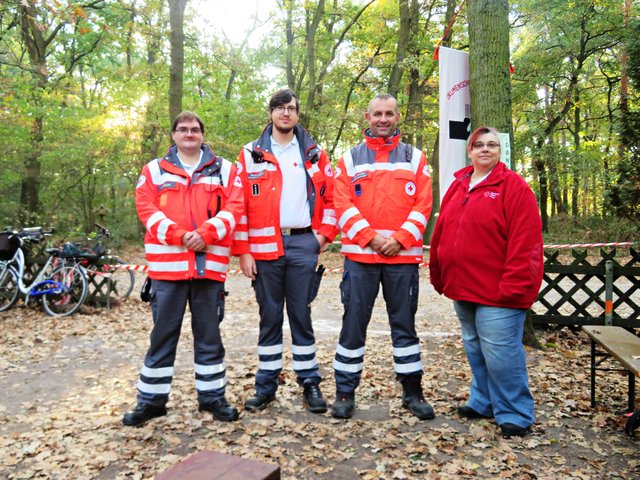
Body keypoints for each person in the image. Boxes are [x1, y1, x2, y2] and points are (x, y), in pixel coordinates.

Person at [123, 111, 244, 427]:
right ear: (174, 135)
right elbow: (146, 209)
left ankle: (213, 398)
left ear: (202, 134)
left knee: (209, 337)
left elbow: (235, 208)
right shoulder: (154, 170)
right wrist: (181, 236)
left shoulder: (226, 170)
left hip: (209, 269)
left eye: (194, 129)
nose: (189, 134)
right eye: (183, 129)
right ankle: (151, 402)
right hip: (167, 271)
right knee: (162, 336)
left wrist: (206, 234)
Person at [429, 126, 544, 438]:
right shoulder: (459, 185)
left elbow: (526, 244)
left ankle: (515, 413)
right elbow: (442, 232)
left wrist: (514, 287)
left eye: (491, 145)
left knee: (502, 354)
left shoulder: (514, 187)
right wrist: (438, 271)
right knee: (476, 349)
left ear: (499, 150)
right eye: (478, 144)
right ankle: (483, 402)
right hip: (463, 287)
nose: (485, 149)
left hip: (499, 293)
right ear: (470, 151)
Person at [232, 88, 339, 414]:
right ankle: (266, 386)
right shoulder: (250, 153)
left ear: (297, 114)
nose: (285, 113)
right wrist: (243, 251)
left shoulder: (314, 154)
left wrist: (321, 238)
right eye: (279, 108)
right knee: (269, 317)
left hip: (304, 244)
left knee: (301, 316)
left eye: (291, 108)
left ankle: (310, 382)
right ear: (271, 113)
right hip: (264, 248)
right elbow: (238, 205)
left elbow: (333, 200)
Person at [331, 94, 434, 420]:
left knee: (404, 326)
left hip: (401, 259)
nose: (383, 119)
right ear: (368, 117)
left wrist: (400, 239)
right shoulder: (350, 159)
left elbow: (424, 204)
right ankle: (345, 391)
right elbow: (341, 204)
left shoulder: (415, 158)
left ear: (397, 116)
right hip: (361, 258)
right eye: (377, 114)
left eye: (389, 113)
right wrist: (371, 238)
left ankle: (412, 391)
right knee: (353, 326)